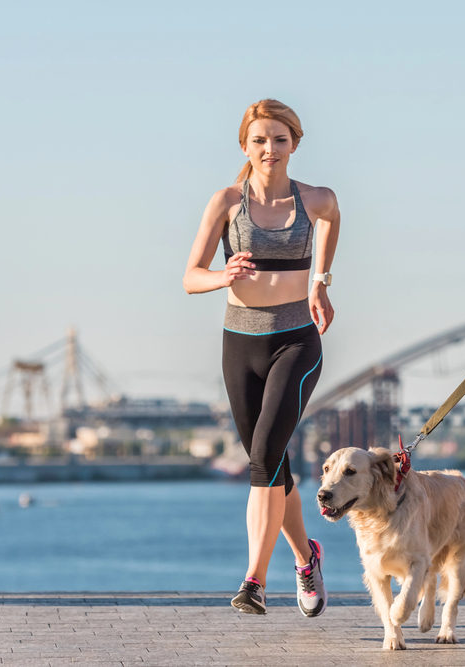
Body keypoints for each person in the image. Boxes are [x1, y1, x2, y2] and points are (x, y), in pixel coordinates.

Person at [183, 99, 341, 617]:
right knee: (272, 465)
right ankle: (306, 555)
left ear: (294, 143)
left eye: (278, 139)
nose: (268, 149)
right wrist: (223, 276)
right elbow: (190, 277)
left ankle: (253, 580)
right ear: (244, 146)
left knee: (263, 458)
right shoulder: (227, 202)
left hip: (296, 341)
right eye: (258, 140)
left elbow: (332, 220)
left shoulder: (316, 199)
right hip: (240, 345)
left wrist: (320, 282)